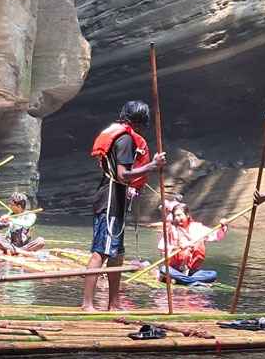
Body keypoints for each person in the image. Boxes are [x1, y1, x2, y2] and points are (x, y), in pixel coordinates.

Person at [81, 100, 166, 311]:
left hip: (114, 198)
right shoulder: (126, 139)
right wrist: (152, 166)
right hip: (110, 199)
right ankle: (87, 304)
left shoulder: (120, 135)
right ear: (138, 121)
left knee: (117, 254)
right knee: (101, 251)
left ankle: (114, 303)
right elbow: (123, 174)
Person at [157, 203, 227, 276]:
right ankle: (181, 276)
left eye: (179, 215)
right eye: (175, 216)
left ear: (187, 215)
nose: (177, 218)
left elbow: (216, 236)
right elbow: (162, 248)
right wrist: (176, 248)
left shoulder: (197, 228)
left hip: (192, 268)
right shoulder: (170, 230)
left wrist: (223, 226)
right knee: (165, 269)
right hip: (174, 266)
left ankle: (187, 276)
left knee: (212, 274)